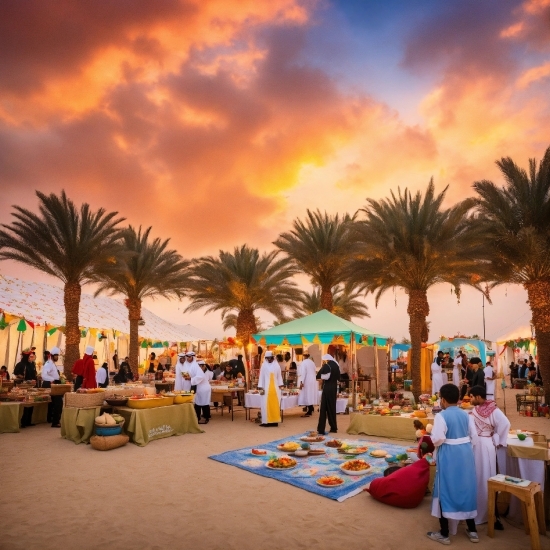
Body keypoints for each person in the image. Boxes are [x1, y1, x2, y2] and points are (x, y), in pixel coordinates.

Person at [427, 383, 479, 545]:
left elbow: (437, 439)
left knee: (445, 488)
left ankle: (444, 533)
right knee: (466, 487)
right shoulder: (467, 415)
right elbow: (474, 437)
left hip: (449, 453)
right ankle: (472, 530)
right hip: (465, 453)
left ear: (442, 399)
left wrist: (430, 434)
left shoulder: (441, 416)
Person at [469, 385, 510, 528]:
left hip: (486, 445)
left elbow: (505, 423)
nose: (471, 399)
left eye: (472, 397)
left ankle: (487, 514)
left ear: (479, 397)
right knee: (477, 477)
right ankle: (475, 512)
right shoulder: (475, 410)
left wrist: (498, 438)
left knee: (486, 477)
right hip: (476, 445)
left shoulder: (493, 410)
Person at [257, 351, 284, 427]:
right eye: (267, 358)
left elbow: (279, 377)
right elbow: (261, 377)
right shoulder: (264, 366)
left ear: (273, 358)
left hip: (275, 389)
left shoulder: (277, 366)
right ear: (265, 358)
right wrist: (260, 386)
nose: (269, 359)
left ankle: (275, 421)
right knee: (265, 405)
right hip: (265, 388)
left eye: (270, 358)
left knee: (275, 405)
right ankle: (266, 422)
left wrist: (280, 385)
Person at [317, 353, 340, 435]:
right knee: (332, 408)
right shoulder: (336, 365)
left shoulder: (327, 366)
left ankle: (321, 429)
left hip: (327, 388)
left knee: (324, 408)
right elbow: (338, 378)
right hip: (333, 388)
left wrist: (321, 376)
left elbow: (324, 377)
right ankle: (333, 427)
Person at [13, 348, 38, 427]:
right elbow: (16, 373)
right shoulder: (20, 364)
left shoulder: (32, 364)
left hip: (32, 386)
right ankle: (23, 421)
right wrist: (25, 379)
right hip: (24, 387)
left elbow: (34, 374)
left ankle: (28, 421)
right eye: (29, 356)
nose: (31, 358)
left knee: (31, 403)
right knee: (25, 403)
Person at [41, 347, 63, 428]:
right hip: (50, 384)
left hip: (54, 383)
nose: (57, 357)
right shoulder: (48, 363)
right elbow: (44, 375)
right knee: (58, 403)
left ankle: (51, 419)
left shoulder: (52, 363)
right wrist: (53, 379)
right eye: (56, 355)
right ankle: (55, 422)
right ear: (53, 355)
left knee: (53, 403)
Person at [298, 351, 318, 417]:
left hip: (307, 380)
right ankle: (311, 407)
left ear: (304, 356)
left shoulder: (304, 363)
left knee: (307, 394)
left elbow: (303, 373)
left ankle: (309, 410)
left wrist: (301, 382)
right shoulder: (312, 362)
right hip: (312, 380)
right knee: (310, 394)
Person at [193, 359, 212, 424]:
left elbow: (195, 380)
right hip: (201, 389)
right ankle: (199, 417)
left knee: (204, 403)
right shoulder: (199, 372)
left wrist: (189, 378)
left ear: (203, 366)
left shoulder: (202, 373)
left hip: (204, 389)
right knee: (199, 403)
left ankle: (205, 417)